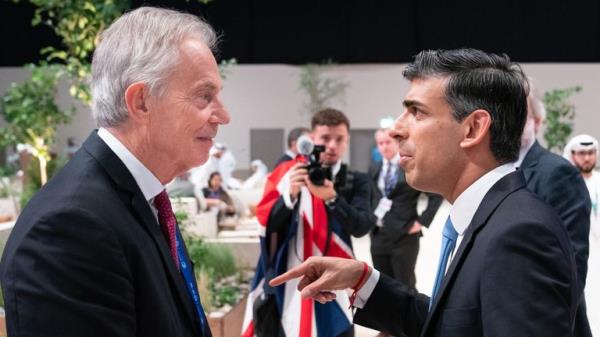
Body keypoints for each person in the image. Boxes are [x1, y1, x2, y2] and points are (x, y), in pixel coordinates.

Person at [270, 49, 576, 337]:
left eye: (417, 112)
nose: (395, 130)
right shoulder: (489, 217)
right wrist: (363, 280)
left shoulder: (520, 234)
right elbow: (453, 324)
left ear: (472, 129)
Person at [0, 7, 229, 337]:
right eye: (205, 96)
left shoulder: (137, 197)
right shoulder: (70, 227)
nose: (223, 115)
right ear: (141, 103)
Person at [242, 108, 376, 337]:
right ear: (312, 139)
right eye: (325, 138)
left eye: (339, 139)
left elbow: (362, 226)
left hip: (336, 276)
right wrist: (290, 195)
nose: (332, 145)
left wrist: (333, 199)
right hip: (292, 275)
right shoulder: (289, 173)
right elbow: (269, 225)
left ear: (347, 141)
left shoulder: (358, 180)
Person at [516, 84, 592, 337]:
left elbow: (570, 266)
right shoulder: (489, 173)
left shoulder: (558, 173)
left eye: (520, 113)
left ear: (537, 122)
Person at [369, 128, 442, 290]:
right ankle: (387, 316)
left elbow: (436, 196)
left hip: (404, 236)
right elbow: (372, 195)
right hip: (379, 235)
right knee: (382, 286)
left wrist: (421, 222)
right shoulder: (374, 168)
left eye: (388, 142)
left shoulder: (410, 167)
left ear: (396, 143)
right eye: (380, 143)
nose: (384, 146)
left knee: (405, 286)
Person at [563, 133, 600, 336]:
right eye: (582, 153)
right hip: (579, 257)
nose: (587, 158)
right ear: (572, 154)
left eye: (591, 153)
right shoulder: (566, 183)